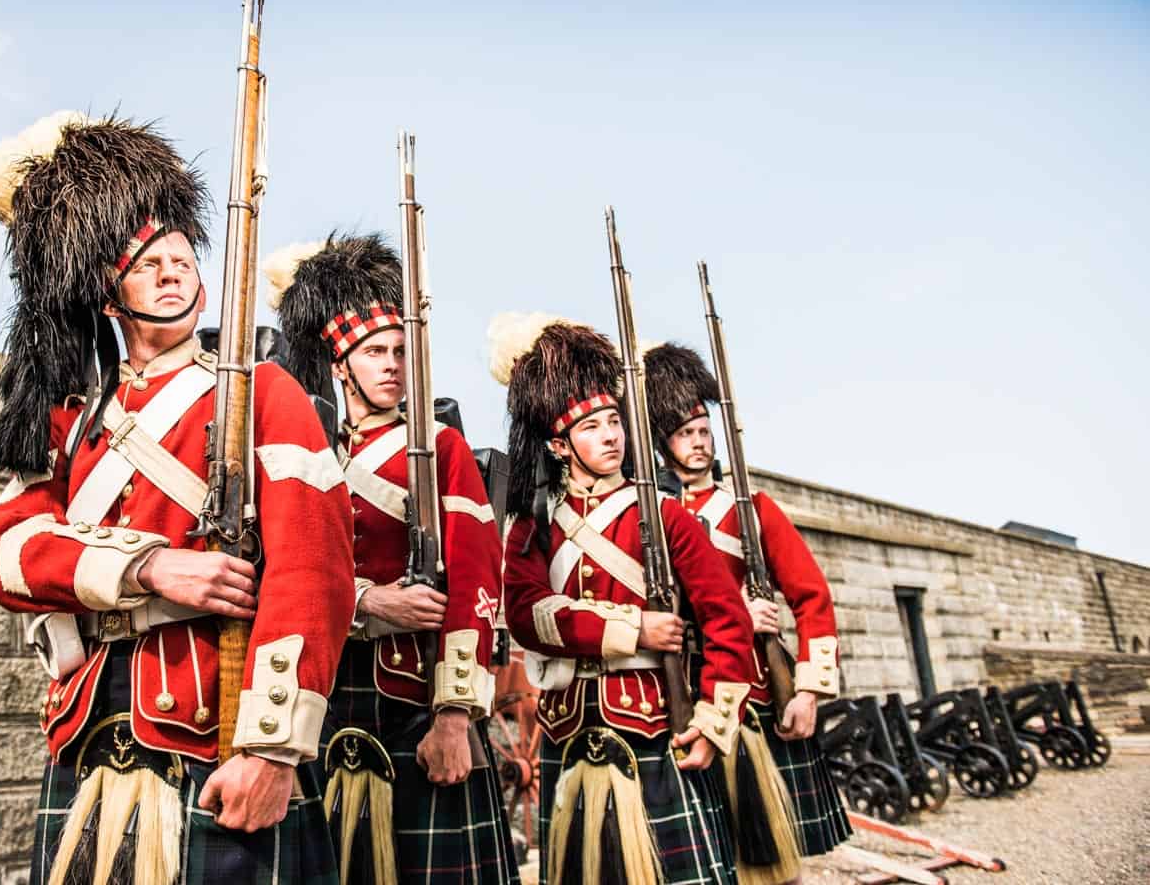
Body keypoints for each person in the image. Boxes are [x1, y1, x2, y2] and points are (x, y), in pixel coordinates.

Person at [0, 111, 355, 885]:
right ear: (108, 296)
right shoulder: (70, 418)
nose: (173, 272)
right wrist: (149, 568)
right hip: (91, 722)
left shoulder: (262, 392)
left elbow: (314, 573)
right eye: (148, 264)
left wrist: (272, 749)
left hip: (220, 726)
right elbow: (10, 557)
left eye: (181, 258)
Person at [264, 234, 519, 885]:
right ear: (340, 363)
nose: (391, 364)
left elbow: (475, 586)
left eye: (402, 352)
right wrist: (364, 601)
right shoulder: (296, 447)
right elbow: (270, 565)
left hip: (412, 708)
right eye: (374, 351)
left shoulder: (441, 450)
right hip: (307, 705)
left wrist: (455, 716)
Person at [491, 313, 755, 885]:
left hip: (656, 726)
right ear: (560, 445)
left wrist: (713, 719)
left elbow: (726, 616)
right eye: (593, 427)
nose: (611, 436)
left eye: (615, 421)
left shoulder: (665, 516)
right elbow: (526, 615)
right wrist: (633, 630)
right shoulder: (533, 525)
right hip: (567, 731)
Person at [644, 342, 852, 872]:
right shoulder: (652, 515)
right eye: (683, 433)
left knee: (776, 861)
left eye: (702, 431)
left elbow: (812, 597)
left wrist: (807, 691)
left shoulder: (752, 508)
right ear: (661, 442)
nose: (697, 442)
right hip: (690, 696)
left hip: (757, 695)